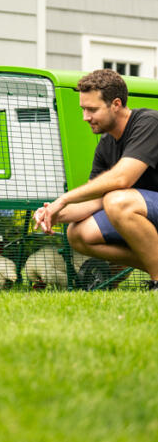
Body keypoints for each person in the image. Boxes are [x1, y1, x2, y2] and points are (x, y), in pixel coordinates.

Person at [34, 68, 158, 291]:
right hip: (143, 209)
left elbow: (122, 179)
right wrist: (52, 213)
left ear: (116, 104)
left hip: (139, 206)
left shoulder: (149, 123)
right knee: (78, 233)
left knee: (117, 201)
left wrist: (64, 198)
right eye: (83, 109)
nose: (85, 117)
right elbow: (96, 199)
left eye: (92, 109)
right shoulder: (105, 144)